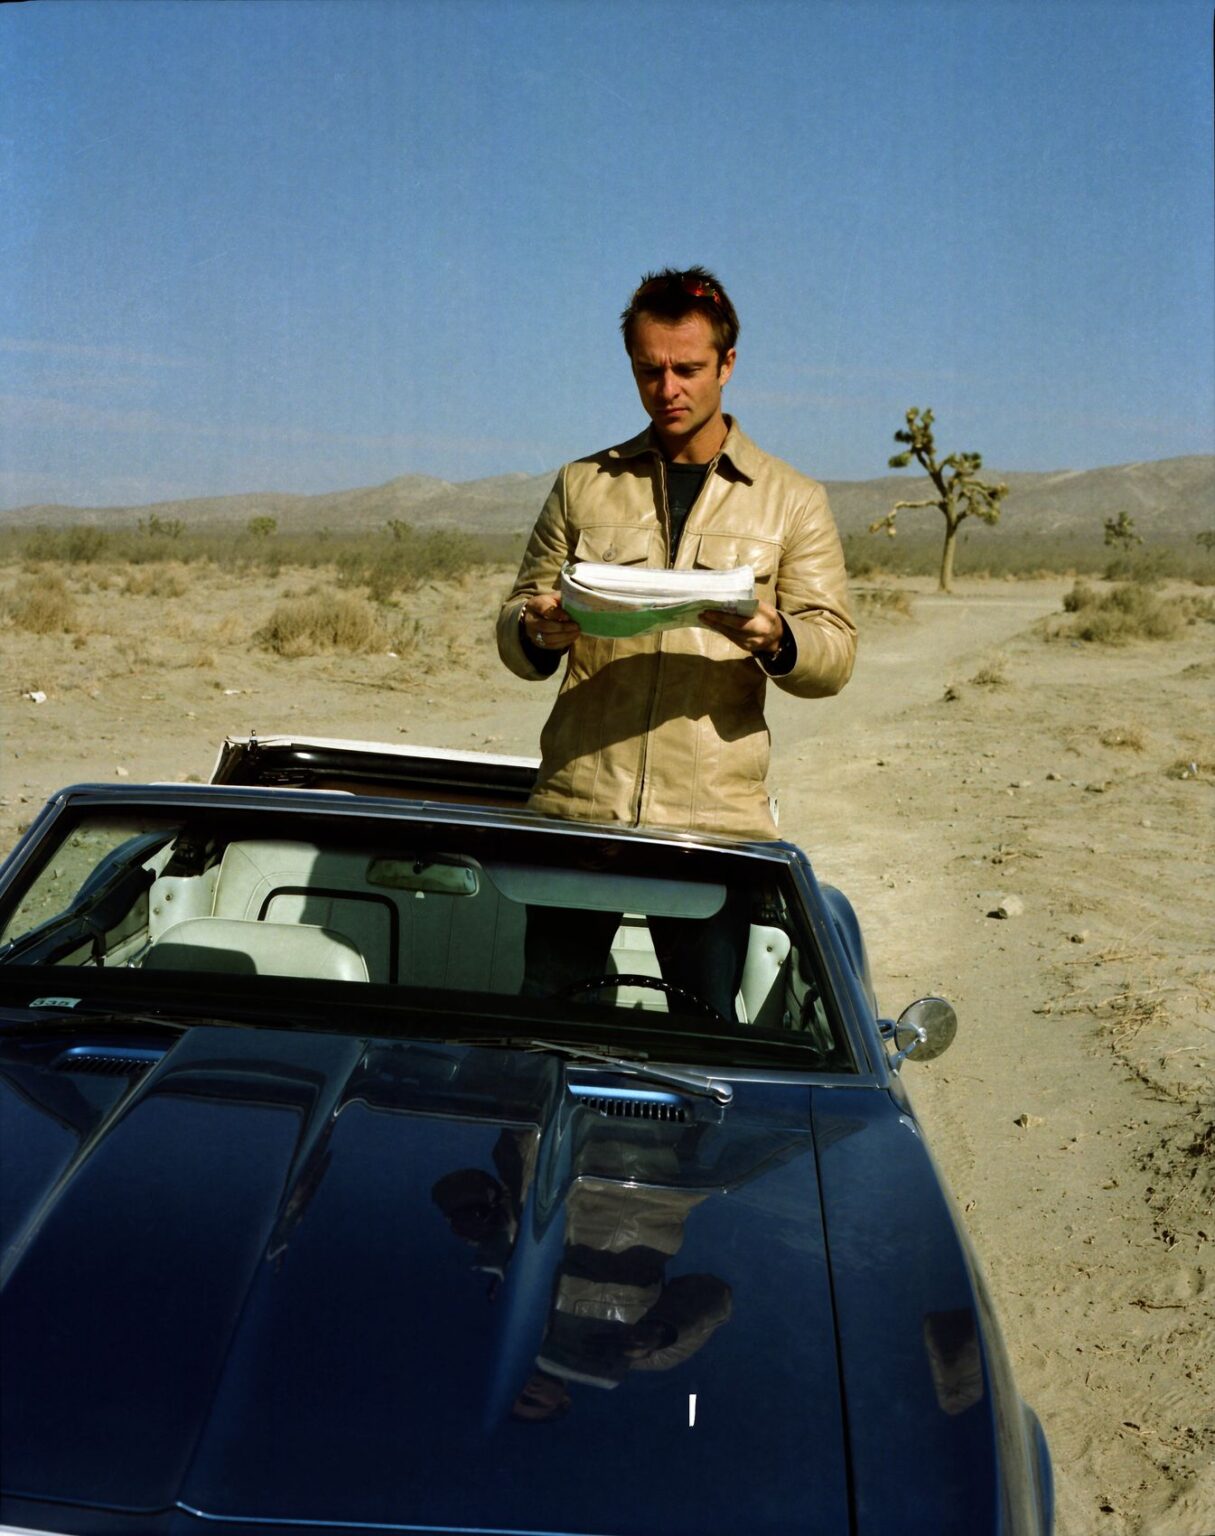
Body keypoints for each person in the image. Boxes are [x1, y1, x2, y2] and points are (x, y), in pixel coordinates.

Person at [497, 266, 856, 1013]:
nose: (667, 389)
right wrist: (536, 628)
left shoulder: (792, 501)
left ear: (727, 364)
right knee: (547, 1021)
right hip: (578, 810)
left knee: (705, 1024)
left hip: (713, 825)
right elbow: (515, 624)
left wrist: (776, 636)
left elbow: (833, 654)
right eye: (648, 370)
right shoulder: (582, 484)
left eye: (687, 369)